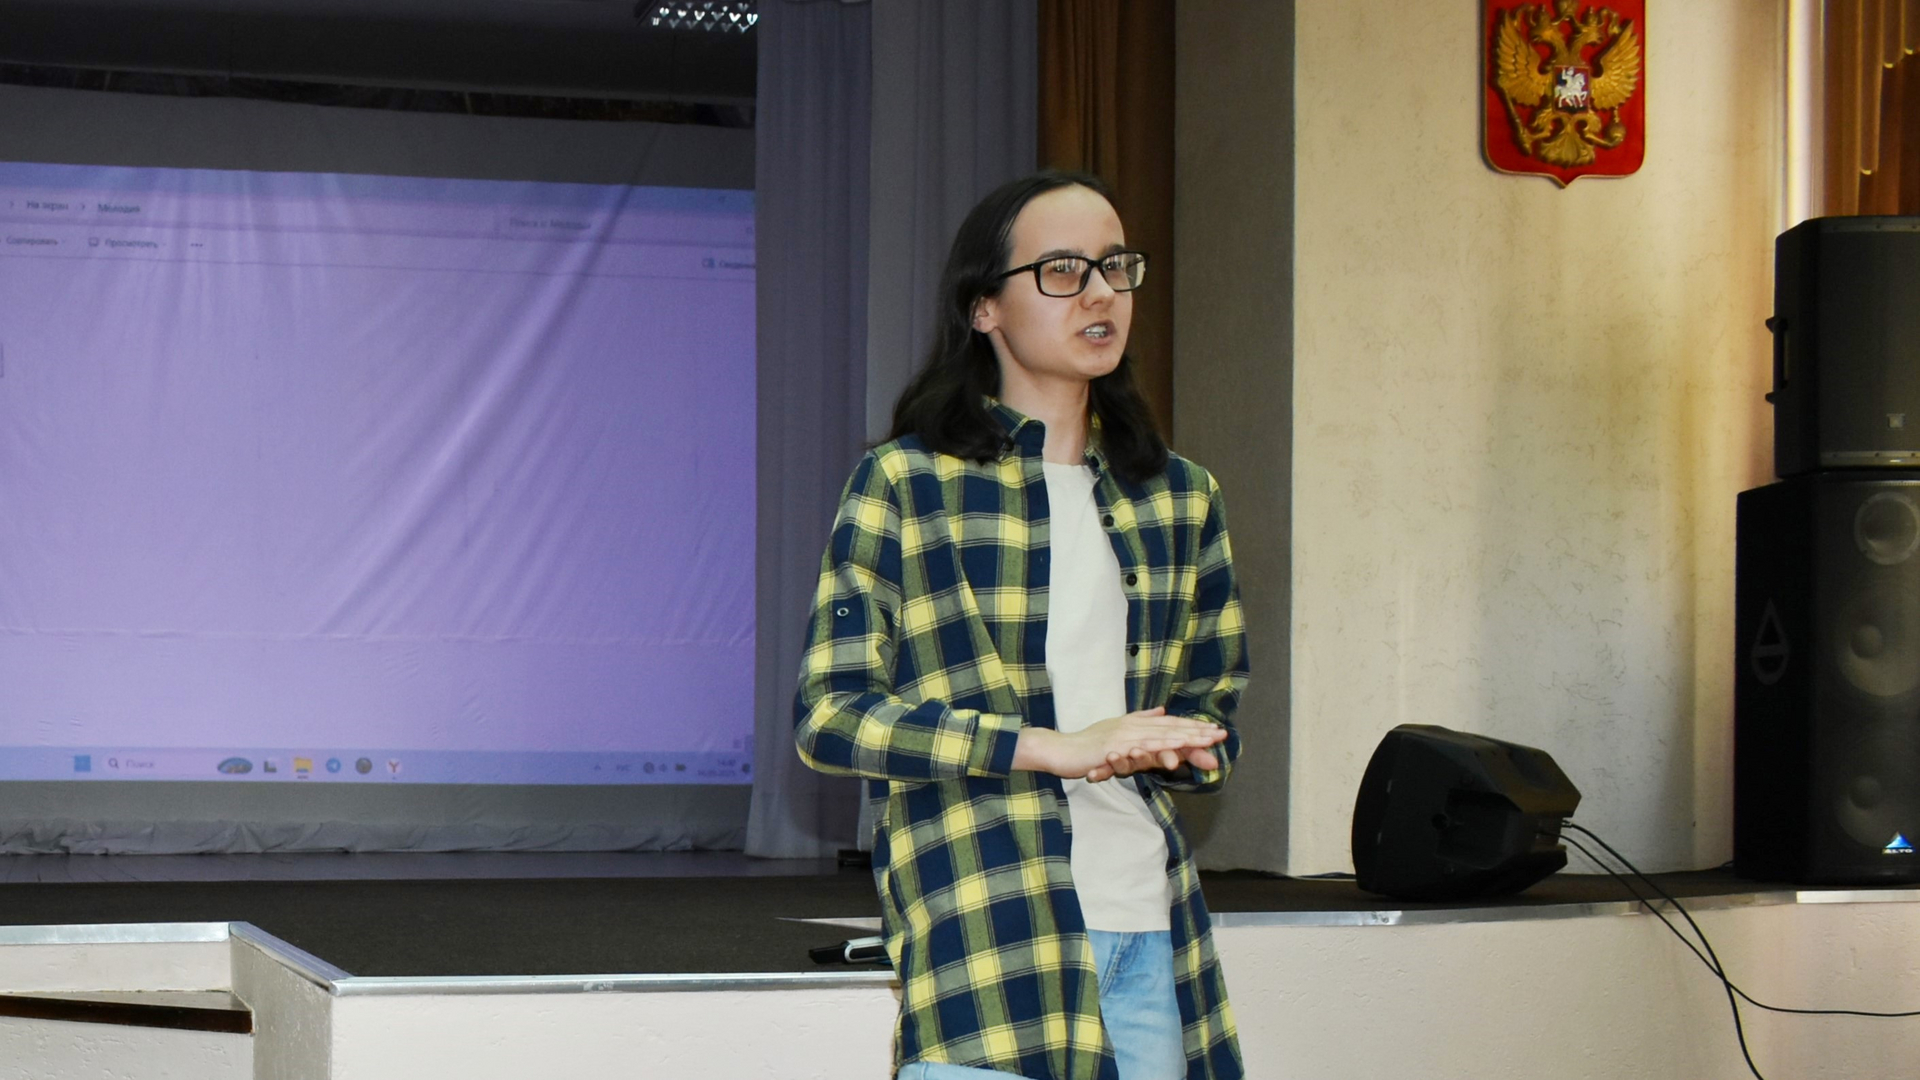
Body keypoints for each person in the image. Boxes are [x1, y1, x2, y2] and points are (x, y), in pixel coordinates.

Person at [794, 170, 1248, 1080]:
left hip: (1145, 922)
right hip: (988, 923)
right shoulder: (906, 484)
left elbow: (1216, 710)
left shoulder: (1180, 496)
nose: (1100, 293)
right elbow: (831, 717)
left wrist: (1184, 745)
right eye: (1062, 270)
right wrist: (1051, 748)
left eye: (1116, 267)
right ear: (984, 308)